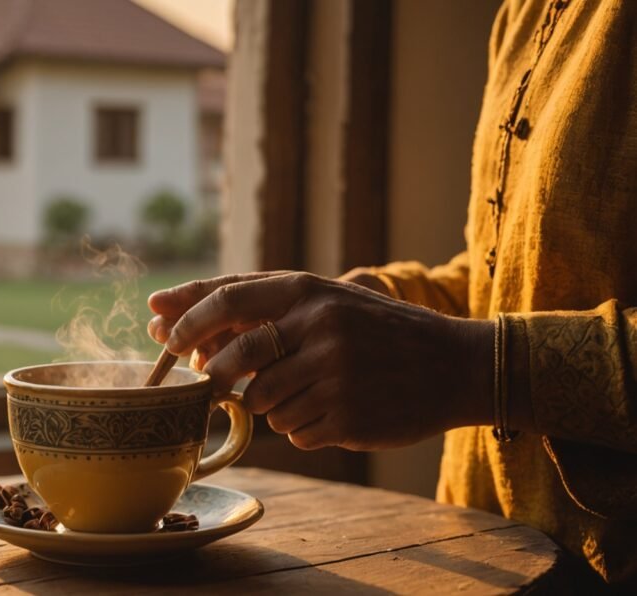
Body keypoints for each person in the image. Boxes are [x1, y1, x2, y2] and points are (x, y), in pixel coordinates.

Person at [147, 0, 636, 585]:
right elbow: (505, 281)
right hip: (483, 559)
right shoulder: (523, 15)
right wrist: (378, 305)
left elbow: (486, 342)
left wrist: (471, 366)